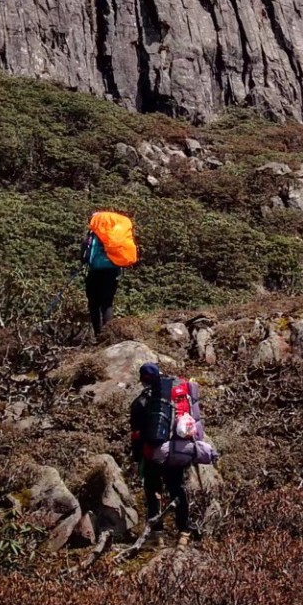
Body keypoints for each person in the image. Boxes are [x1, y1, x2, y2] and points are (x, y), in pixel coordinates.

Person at [129, 362, 196, 539]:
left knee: (153, 492)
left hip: (152, 454)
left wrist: (137, 457)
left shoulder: (141, 402)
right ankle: (183, 531)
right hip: (176, 451)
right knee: (177, 489)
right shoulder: (179, 396)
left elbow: (136, 435)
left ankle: (156, 534)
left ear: (143, 380)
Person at [81, 209, 135, 337]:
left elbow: (85, 253)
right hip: (112, 270)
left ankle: (98, 334)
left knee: (93, 303)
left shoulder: (94, 233)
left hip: (95, 270)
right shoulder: (115, 232)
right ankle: (107, 336)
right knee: (107, 303)